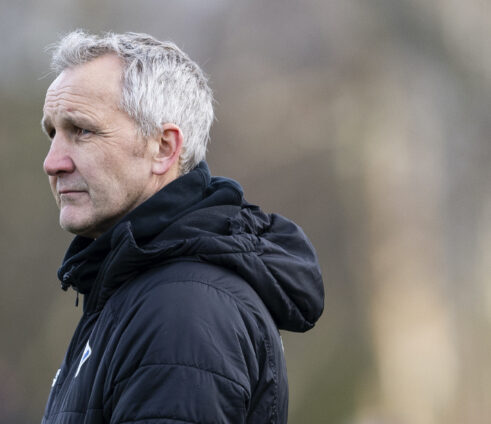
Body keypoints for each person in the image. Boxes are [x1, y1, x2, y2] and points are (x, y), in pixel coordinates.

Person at [39, 30, 324, 424]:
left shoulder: (181, 310)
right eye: (52, 133)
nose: (52, 162)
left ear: (164, 148)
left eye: (82, 131)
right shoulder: (136, 292)